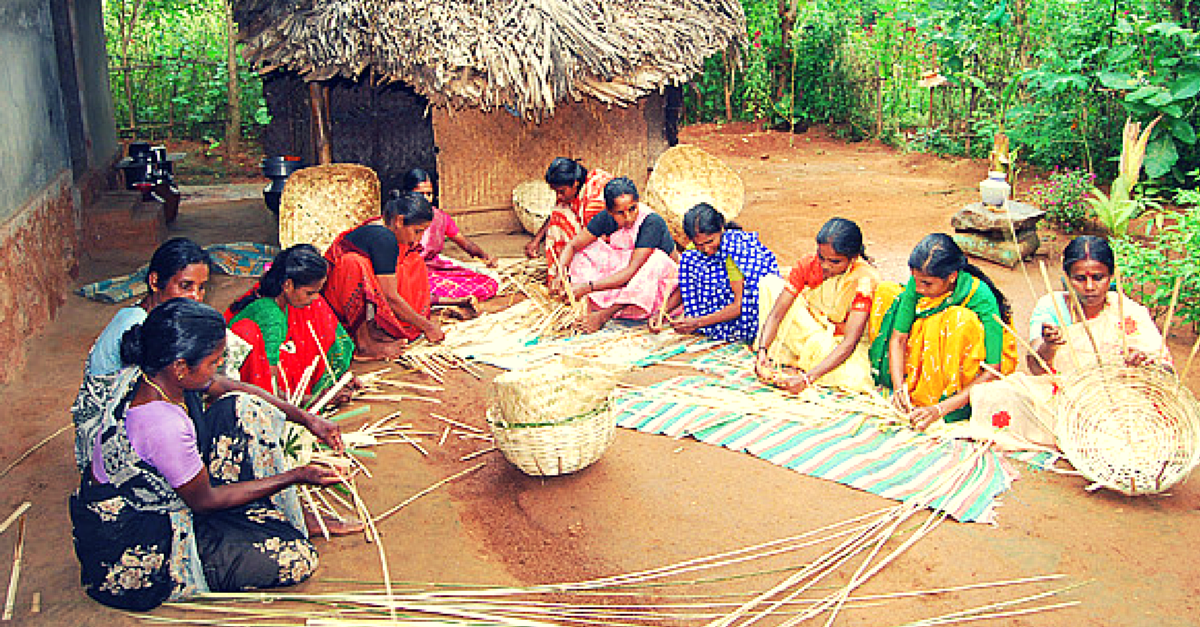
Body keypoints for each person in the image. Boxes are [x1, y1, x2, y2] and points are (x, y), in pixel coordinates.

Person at [70, 299, 348, 610]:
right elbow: (206, 501)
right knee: (296, 558)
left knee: (246, 408)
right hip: (138, 540)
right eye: (214, 361)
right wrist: (297, 476)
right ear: (180, 367)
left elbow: (229, 387)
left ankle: (250, 517)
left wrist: (307, 418)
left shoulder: (154, 374)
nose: (218, 367)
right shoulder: (164, 425)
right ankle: (217, 547)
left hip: (165, 492)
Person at [966, 236, 1173, 450]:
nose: (1089, 286)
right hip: (1063, 396)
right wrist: (1049, 345)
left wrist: (1144, 364)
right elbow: (1036, 368)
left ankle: (1092, 438)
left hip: (1116, 399)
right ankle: (1083, 437)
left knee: (1133, 426)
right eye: (1080, 278)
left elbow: (1165, 372)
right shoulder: (1051, 307)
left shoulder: (1128, 312)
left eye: (1098, 277)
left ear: (1112, 276)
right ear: (1066, 277)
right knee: (993, 395)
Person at [868, 233, 1018, 429]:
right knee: (886, 292)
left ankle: (940, 398)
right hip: (927, 357)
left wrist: (939, 409)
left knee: (958, 321)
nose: (919, 288)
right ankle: (915, 388)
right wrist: (898, 389)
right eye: (917, 281)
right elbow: (898, 338)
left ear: (952, 277)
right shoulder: (919, 282)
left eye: (927, 284)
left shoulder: (981, 296)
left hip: (966, 368)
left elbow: (993, 369)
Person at [753, 218, 881, 394]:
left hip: (836, 342)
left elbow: (850, 341)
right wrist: (762, 352)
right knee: (769, 285)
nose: (825, 266)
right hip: (809, 327)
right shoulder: (809, 264)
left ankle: (803, 363)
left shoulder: (864, 279)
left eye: (835, 262)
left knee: (856, 379)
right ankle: (799, 359)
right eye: (821, 257)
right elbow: (777, 314)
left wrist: (807, 379)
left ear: (853, 257)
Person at [322, 191, 443, 360]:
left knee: (412, 260)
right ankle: (363, 344)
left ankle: (377, 329)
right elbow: (389, 296)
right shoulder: (384, 237)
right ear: (399, 221)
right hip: (331, 302)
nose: (418, 239)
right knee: (354, 263)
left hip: (342, 295)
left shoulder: (387, 232)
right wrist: (427, 326)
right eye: (417, 231)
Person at [226, 244, 355, 401]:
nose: (315, 298)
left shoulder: (278, 300)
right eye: (310, 293)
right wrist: (319, 399)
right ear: (288, 285)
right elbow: (269, 390)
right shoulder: (272, 317)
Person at [558, 177, 680, 333]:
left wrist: (588, 288)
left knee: (656, 259)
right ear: (610, 211)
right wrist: (560, 273)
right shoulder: (605, 217)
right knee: (585, 252)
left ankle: (606, 313)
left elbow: (631, 272)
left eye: (632, 209)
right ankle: (597, 303)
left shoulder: (651, 222)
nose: (628, 217)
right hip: (626, 271)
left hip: (657, 286)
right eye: (620, 213)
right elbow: (573, 246)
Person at [653, 203, 779, 342]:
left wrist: (698, 322)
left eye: (710, 241)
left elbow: (740, 305)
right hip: (714, 314)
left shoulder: (734, 250)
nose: (706, 249)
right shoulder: (693, 251)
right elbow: (686, 286)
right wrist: (661, 313)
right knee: (689, 258)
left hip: (745, 315)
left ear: (721, 229)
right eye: (700, 245)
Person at [86, 237, 211, 377]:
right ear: (155, 282)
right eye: (185, 286)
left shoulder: (156, 314)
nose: (196, 297)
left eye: (201, 287)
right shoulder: (138, 324)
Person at [402, 169, 500, 304]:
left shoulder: (440, 217)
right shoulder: (401, 219)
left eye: (429, 194)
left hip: (433, 266)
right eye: (420, 194)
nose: (426, 199)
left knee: (488, 283)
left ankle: (451, 301)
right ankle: (452, 302)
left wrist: (485, 257)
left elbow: (466, 244)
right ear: (408, 194)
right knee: (415, 291)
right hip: (409, 271)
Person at [524, 157, 614, 284]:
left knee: (563, 217)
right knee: (560, 211)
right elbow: (554, 215)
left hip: (610, 244)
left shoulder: (594, 198)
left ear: (575, 183)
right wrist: (536, 241)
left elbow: (600, 238)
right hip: (593, 232)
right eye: (556, 192)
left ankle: (574, 277)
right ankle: (563, 273)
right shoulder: (574, 187)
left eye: (561, 191)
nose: (558, 196)